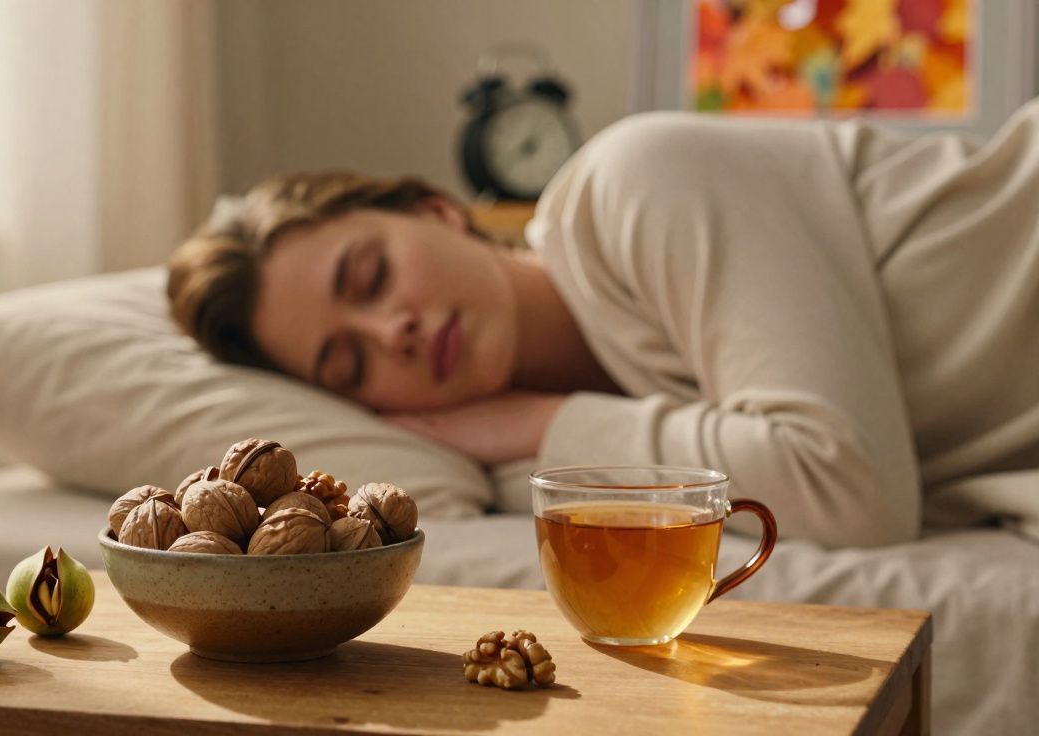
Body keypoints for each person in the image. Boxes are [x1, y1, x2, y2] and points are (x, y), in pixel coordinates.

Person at [167, 99, 1039, 549]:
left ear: (439, 210)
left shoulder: (638, 180)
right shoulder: (522, 473)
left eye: (372, 275)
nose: (389, 330)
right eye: (349, 364)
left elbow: (850, 488)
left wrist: (534, 425)